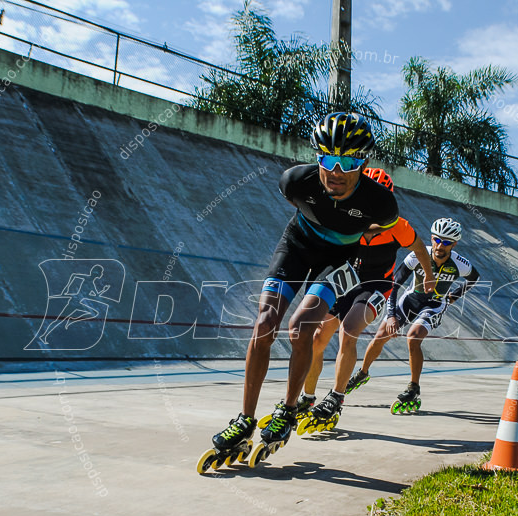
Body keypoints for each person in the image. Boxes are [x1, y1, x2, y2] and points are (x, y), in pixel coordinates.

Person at [198, 112, 400, 472]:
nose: (336, 171)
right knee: (264, 324)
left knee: (302, 327)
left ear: (364, 162)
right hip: (297, 245)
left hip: (339, 259)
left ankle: (289, 409)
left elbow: (387, 231)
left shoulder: (381, 204)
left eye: (349, 161)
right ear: (317, 156)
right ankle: (245, 419)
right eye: (327, 159)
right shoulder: (294, 182)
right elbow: (307, 210)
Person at [298, 168, 435, 431]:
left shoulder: (399, 227)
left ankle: (336, 397)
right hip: (346, 282)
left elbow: (419, 249)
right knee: (317, 337)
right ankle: (308, 398)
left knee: (348, 331)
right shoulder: (346, 219)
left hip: (376, 286)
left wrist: (428, 277)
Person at [346, 217, 481, 414]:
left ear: (455, 244)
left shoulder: (460, 264)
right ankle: (362, 373)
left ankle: (413, 387)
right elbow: (394, 285)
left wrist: (453, 297)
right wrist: (391, 316)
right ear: (432, 238)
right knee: (381, 335)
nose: (439, 245)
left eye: (446, 242)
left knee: (413, 337)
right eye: (436, 239)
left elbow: (474, 279)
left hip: (434, 304)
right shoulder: (417, 255)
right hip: (411, 299)